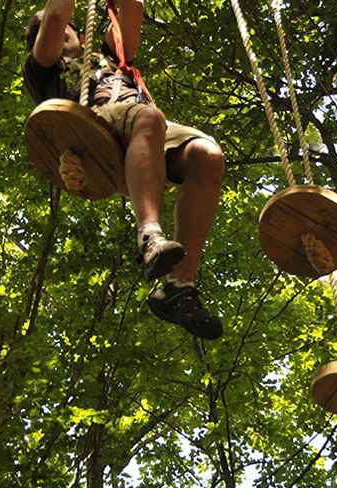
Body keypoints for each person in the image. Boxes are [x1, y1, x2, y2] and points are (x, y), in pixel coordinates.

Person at [23, 0, 224, 339]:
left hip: (142, 133)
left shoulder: (110, 54)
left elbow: (133, 7)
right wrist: (53, 22)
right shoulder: (42, 69)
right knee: (149, 117)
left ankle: (179, 286)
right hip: (96, 128)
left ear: (81, 36)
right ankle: (149, 235)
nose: (52, 32)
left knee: (207, 155)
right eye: (39, 33)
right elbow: (55, 17)